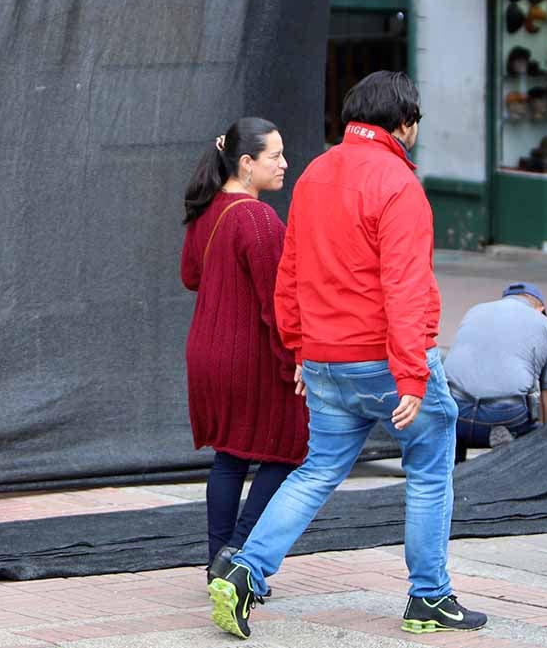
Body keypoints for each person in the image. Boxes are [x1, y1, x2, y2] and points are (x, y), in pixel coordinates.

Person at [207, 71, 486, 638]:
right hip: (386, 360)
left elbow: (291, 273)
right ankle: (429, 598)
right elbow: (404, 287)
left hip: (325, 361)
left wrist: (300, 355)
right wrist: (411, 375)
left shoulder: (313, 175)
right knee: (430, 471)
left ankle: (242, 569)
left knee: (316, 472)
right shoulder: (399, 184)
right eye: (415, 124)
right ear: (403, 125)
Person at [180, 117, 307, 575]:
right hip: (247, 357)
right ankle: (238, 553)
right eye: (275, 156)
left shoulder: (208, 208)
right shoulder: (258, 218)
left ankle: (217, 560)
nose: (285, 164)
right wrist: (295, 358)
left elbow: (191, 276)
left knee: (230, 457)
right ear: (247, 163)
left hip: (206, 354)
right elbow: (279, 302)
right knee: (293, 448)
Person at [443, 283, 547, 461]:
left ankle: (453, 461)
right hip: (504, 415)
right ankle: (511, 456)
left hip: (455, 409)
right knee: (536, 426)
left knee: (454, 422)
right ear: (540, 308)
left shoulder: (475, 311)